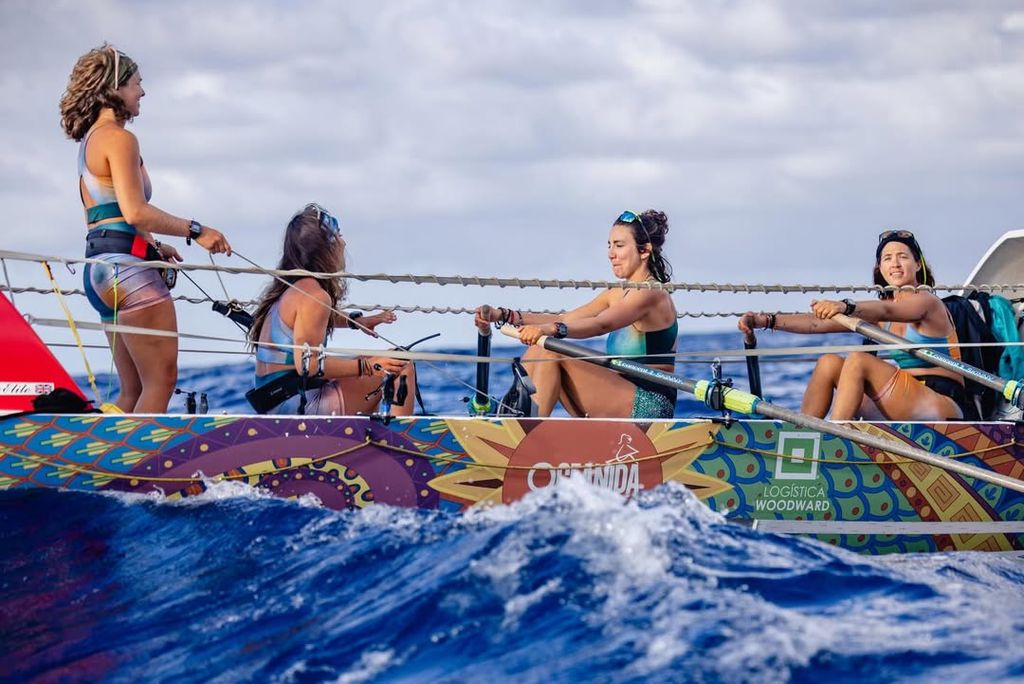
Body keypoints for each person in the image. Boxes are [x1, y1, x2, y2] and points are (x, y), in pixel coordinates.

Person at [59, 45, 232, 413]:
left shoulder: (90, 141)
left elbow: (108, 213)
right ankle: (140, 471)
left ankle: (104, 463)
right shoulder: (120, 139)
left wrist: (153, 244)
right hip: (129, 274)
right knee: (161, 383)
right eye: (137, 83)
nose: (142, 92)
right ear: (114, 88)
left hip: (100, 272)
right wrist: (196, 230)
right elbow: (135, 211)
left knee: (132, 390)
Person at [738, 229, 966, 421]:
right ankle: (802, 433)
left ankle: (836, 436)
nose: (895, 264)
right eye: (887, 258)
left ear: (918, 264)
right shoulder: (881, 312)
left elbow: (888, 310)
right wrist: (765, 320)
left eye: (902, 257)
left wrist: (845, 306)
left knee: (858, 360)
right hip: (903, 399)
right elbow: (817, 324)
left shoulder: (928, 301)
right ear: (880, 269)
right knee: (829, 363)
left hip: (943, 403)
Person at [475, 210, 678, 418]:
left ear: (644, 251)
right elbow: (564, 320)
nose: (611, 254)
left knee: (550, 350)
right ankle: (517, 419)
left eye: (619, 245)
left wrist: (546, 331)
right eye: (609, 245)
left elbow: (601, 325)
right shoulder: (616, 293)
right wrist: (502, 315)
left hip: (650, 405)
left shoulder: (651, 293)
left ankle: (521, 432)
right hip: (618, 392)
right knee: (543, 347)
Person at [246, 203, 417, 416]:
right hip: (297, 406)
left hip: (277, 401)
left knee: (379, 361)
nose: (343, 243)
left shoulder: (291, 289)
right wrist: (369, 366)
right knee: (400, 366)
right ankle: (397, 445)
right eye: (338, 237)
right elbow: (308, 364)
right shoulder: (315, 297)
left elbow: (307, 322)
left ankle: (371, 440)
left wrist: (355, 322)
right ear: (324, 249)